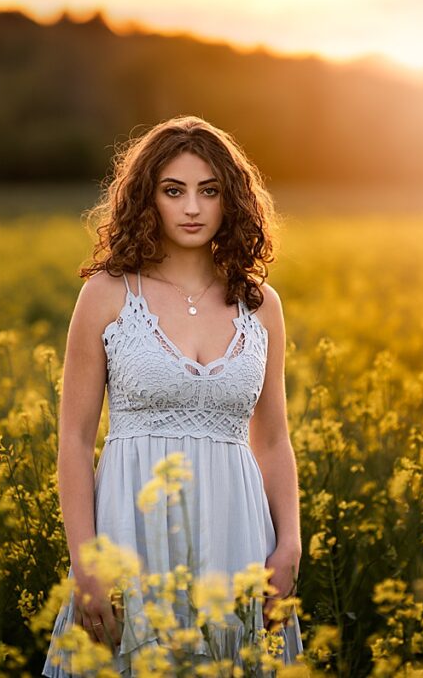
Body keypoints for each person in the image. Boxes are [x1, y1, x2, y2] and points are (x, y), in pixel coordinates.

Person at [41, 115, 304, 675]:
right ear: (147, 199)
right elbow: (74, 438)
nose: (192, 208)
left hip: (238, 535)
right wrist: (85, 561)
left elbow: (274, 439)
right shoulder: (107, 294)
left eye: (209, 191)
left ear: (230, 201)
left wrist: (289, 546)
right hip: (129, 532)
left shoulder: (262, 305)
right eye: (173, 190)